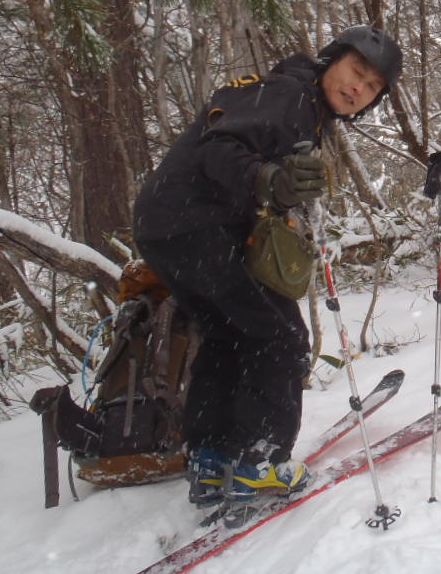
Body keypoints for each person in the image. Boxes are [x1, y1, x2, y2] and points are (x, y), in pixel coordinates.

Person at [132, 26, 402, 508]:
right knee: (279, 336)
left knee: (226, 332)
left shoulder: (297, 101)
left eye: (372, 86)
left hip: (166, 227)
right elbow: (219, 149)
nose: (359, 88)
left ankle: (211, 457)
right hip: (198, 224)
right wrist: (267, 178)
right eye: (355, 71)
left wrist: (274, 189)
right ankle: (261, 460)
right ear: (331, 60)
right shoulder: (290, 96)